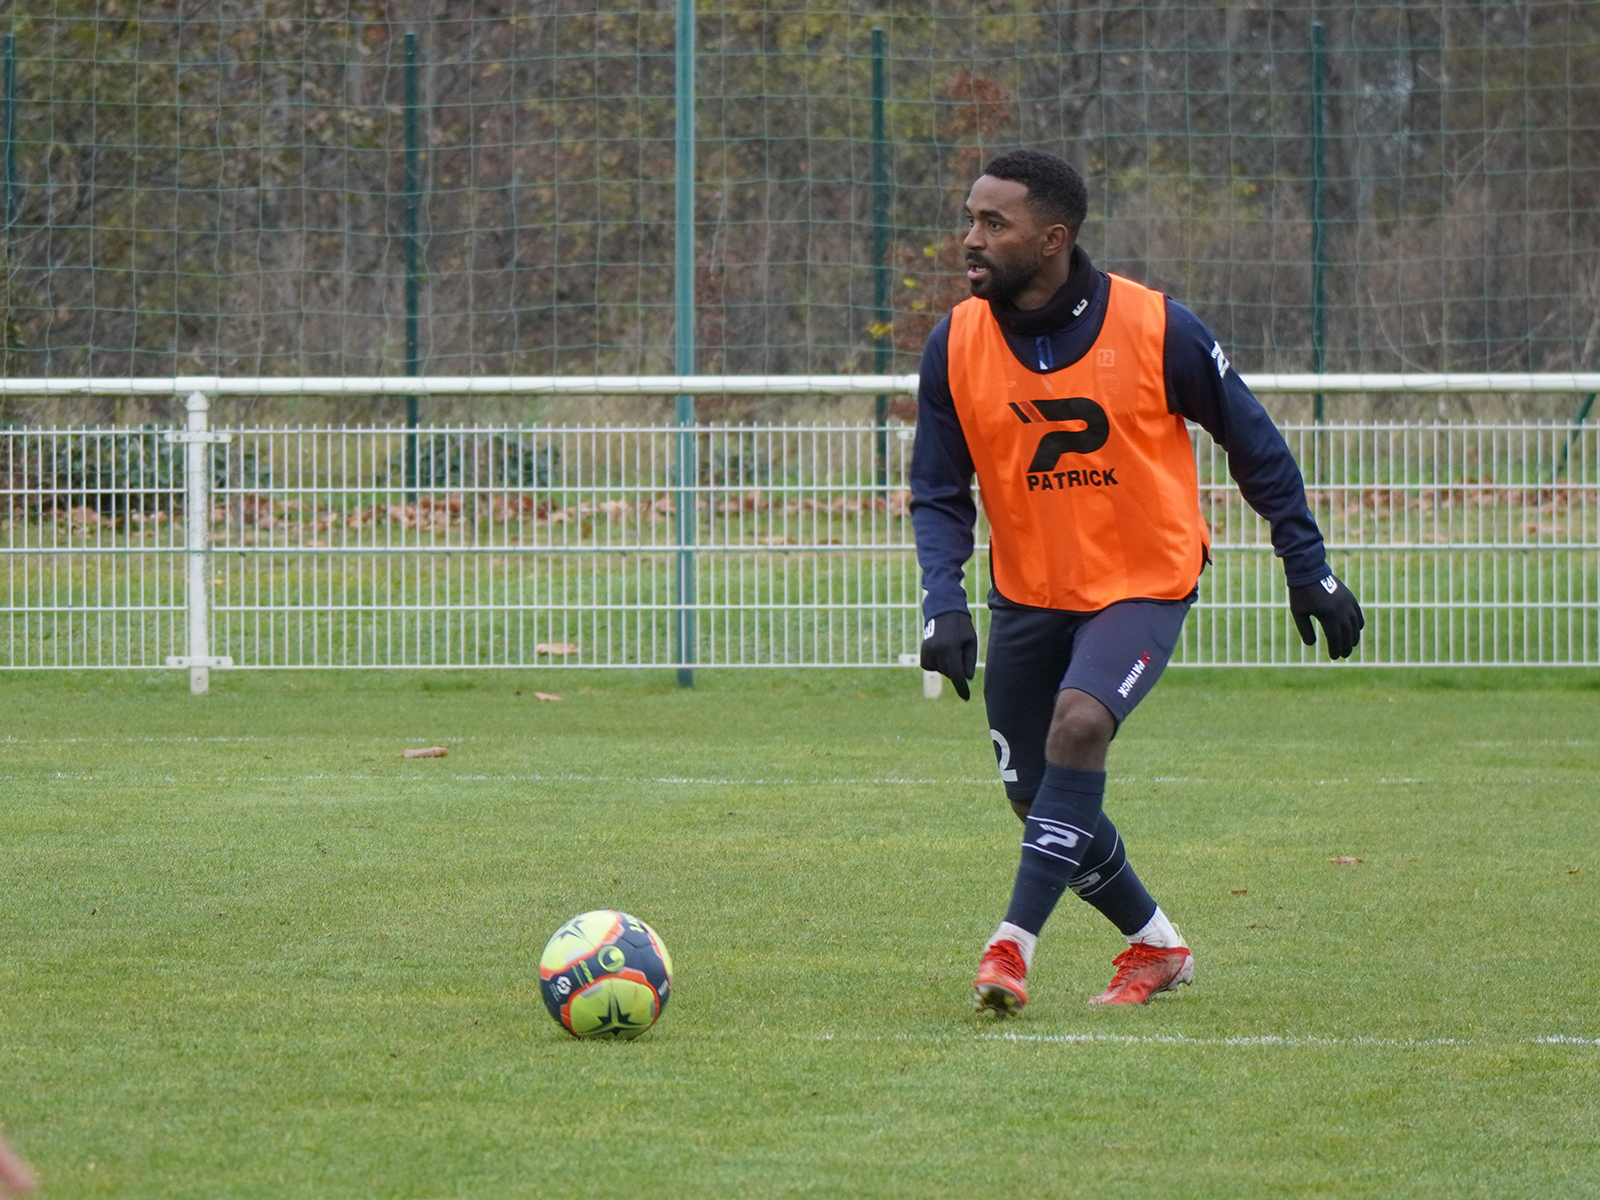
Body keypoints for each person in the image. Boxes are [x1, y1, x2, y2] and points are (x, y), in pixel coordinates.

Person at [911, 149, 1363, 1013]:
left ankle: (1011, 947)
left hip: (1144, 580)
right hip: (1030, 593)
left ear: (1053, 239)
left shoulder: (1159, 328)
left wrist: (1306, 564)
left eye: (991, 224)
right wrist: (945, 600)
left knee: (1078, 725)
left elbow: (1254, 442)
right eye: (969, 218)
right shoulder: (955, 343)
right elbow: (938, 491)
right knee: (1034, 797)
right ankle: (1156, 945)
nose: (969, 239)